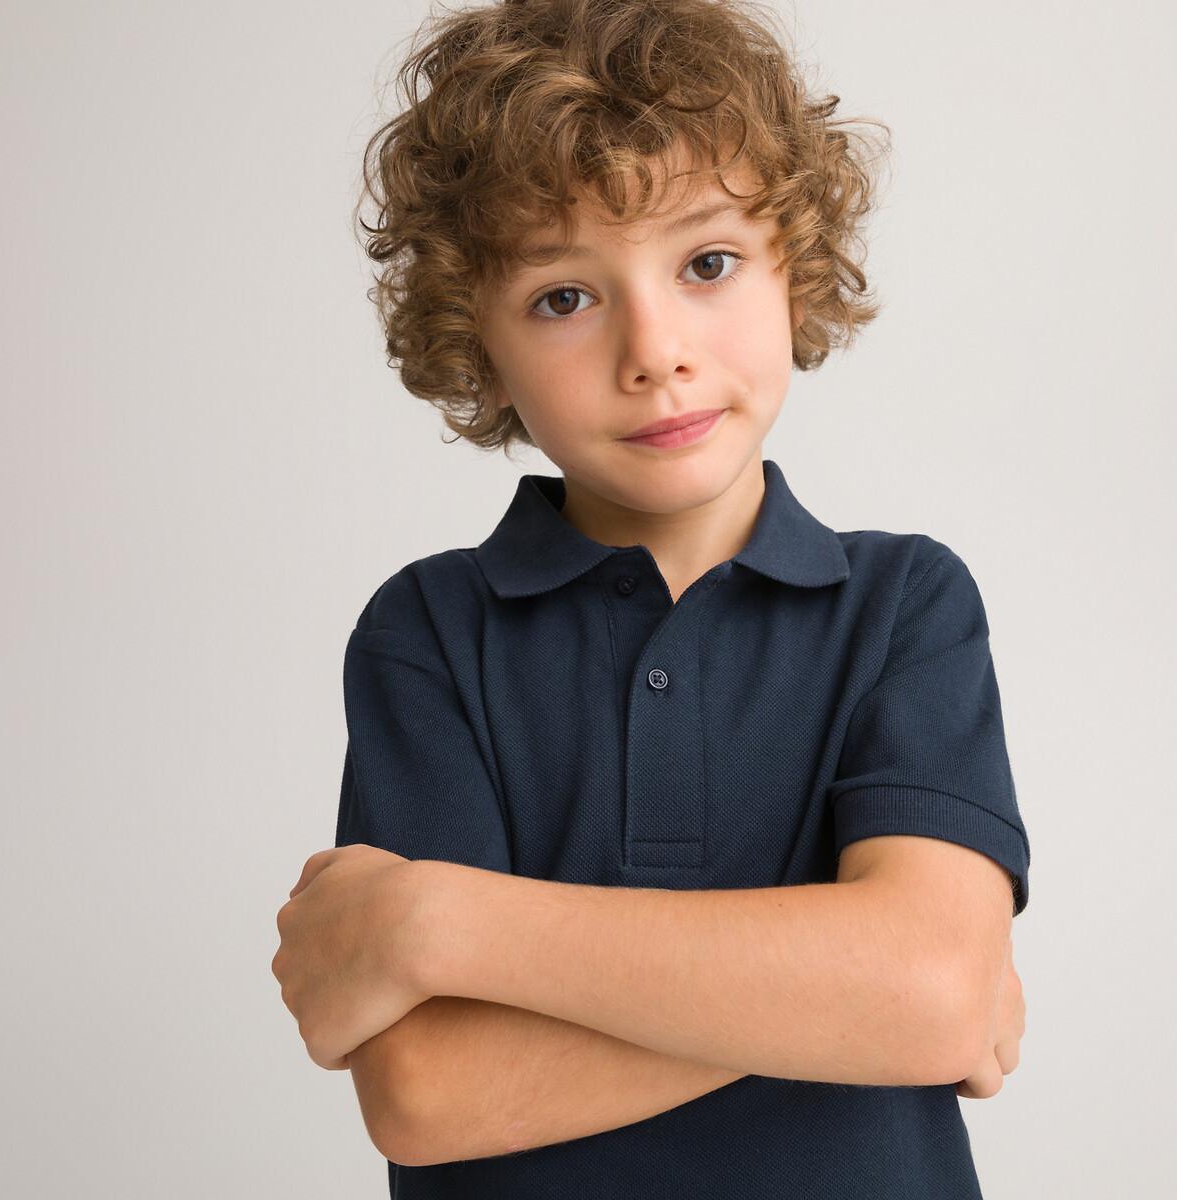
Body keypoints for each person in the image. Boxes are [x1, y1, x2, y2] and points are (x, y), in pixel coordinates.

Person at [273, 1, 1031, 1196]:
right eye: (564, 298)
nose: (655, 348)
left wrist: (434, 923)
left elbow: (928, 996)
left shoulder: (906, 604)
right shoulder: (426, 634)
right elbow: (425, 1095)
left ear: (795, 259)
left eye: (708, 262)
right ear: (479, 340)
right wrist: (850, 995)